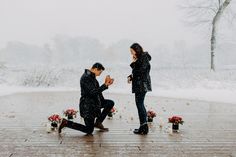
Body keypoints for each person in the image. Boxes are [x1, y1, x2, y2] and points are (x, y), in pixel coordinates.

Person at [58, 62, 114, 135]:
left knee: (110, 103)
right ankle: (66, 123)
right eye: (100, 72)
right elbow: (92, 93)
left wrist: (106, 85)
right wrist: (105, 85)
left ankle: (98, 122)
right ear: (95, 69)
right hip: (88, 106)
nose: (100, 74)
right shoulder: (86, 78)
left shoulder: (93, 78)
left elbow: (98, 93)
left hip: (95, 104)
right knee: (89, 130)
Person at [127, 43, 152, 135]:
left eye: (132, 51)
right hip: (140, 84)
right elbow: (137, 72)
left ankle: (144, 127)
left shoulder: (143, 58)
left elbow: (142, 72)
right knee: (140, 105)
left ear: (137, 50)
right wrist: (131, 76)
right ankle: (143, 126)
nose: (131, 54)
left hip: (142, 85)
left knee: (140, 105)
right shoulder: (141, 58)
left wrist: (134, 63)